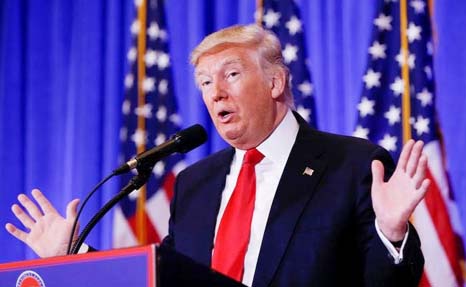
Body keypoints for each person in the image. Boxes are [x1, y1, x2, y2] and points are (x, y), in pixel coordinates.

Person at [6, 24, 429, 286]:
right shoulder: (195, 183)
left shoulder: (352, 165)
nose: (216, 93)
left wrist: (392, 236)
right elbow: (165, 278)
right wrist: (77, 253)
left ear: (276, 82)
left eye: (231, 74)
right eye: (205, 83)